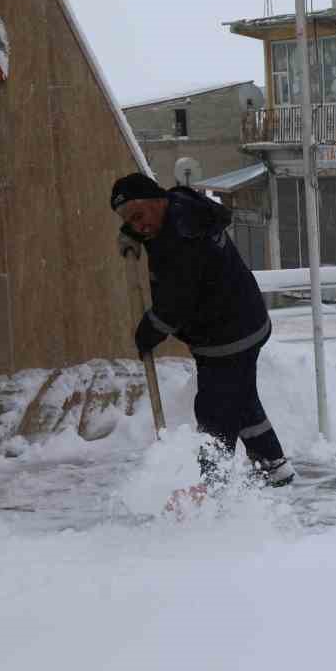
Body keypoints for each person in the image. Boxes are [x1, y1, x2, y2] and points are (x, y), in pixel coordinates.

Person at [111, 172, 294, 488]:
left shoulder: (181, 238)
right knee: (240, 398)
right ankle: (273, 466)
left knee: (215, 414)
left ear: (157, 199)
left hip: (228, 335)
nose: (138, 226)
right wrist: (135, 235)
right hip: (239, 322)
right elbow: (163, 237)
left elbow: (176, 303)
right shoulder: (182, 210)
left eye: (138, 216)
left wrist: (149, 332)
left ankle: (212, 493)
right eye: (129, 221)